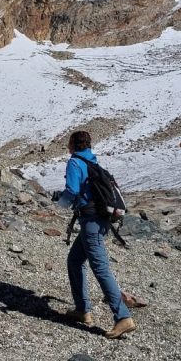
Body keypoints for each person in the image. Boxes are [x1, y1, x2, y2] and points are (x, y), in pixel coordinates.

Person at [55, 130, 136, 340]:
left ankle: (123, 317)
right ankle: (83, 310)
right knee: (74, 261)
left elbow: (72, 190)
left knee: (100, 268)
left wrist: (60, 202)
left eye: (69, 143)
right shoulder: (93, 161)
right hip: (99, 220)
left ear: (72, 145)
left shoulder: (75, 162)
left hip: (90, 221)